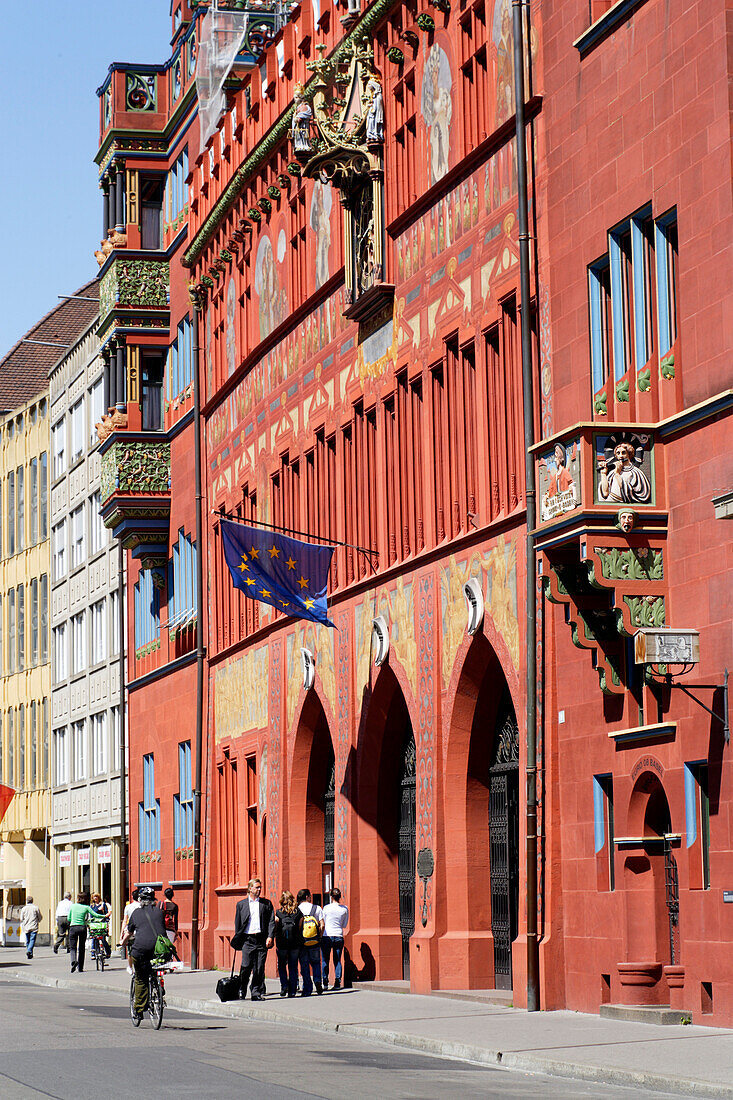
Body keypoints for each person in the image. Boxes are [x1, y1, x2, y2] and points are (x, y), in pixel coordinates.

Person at [121, 885, 167, 1021]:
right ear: (154, 899)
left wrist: (122, 943)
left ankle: (139, 1009)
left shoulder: (136, 913)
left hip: (141, 949)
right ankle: (159, 987)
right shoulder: (160, 912)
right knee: (156, 969)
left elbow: (129, 932)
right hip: (160, 950)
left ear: (141, 900)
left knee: (140, 978)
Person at [233, 877, 275, 1001]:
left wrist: (270, 936)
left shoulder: (266, 904)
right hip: (248, 939)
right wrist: (239, 939)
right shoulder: (241, 905)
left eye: (260, 887)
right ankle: (242, 988)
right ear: (250, 889)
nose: (259, 889)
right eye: (257, 887)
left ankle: (255, 991)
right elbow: (238, 923)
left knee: (259, 967)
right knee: (246, 966)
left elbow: (271, 921)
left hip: (261, 939)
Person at [274, 891, 303, 998]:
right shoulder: (298, 912)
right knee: (293, 966)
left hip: (282, 943)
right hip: (295, 943)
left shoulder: (278, 912)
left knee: (281, 965)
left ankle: (284, 986)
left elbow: (276, 926)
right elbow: (300, 927)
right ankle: (292, 990)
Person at [297, 888, 324, 996]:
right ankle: (318, 981)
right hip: (314, 940)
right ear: (307, 897)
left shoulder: (297, 909)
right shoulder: (316, 908)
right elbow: (322, 924)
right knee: (316, 963)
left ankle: (307, 987)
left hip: (302, 941)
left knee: (304, 964)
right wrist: (319, 937)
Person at [321, 887, 349, 991]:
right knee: (337, 960)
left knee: (325, 960)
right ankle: (337, 982)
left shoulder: (326, 908)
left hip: (327, 935)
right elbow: (344, 924)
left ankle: (325, 981)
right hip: (338, 935)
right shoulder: (344, 909)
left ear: (331, 896)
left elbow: (323, 922)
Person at [68, 892, 96, 973]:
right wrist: (104, 916)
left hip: (73, 927)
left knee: (73, 947)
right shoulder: (86, 907)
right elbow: (95, 914)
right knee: (81, 947)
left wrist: (74, 920)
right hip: (82, 928)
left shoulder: (73, 906)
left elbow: (69, 918)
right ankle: (80, 967)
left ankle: (73, 961)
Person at [120, 887, 140, 971]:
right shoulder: (142, 906)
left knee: (130, 951)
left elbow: (125, 921)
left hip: (130, 931)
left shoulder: (128, 907)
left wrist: (121, 933)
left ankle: (130, 967)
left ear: (132, 897)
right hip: (140, 930)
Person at [90, 893, 112, 959]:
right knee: (94, 938)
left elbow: (106, 913)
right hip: (95, 923)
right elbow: (91, 914)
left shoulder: (103, 904)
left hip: (102, 923)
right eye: (94, 897)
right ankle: (93, 953)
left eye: (97, 896)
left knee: (103, 938)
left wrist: (106, 920)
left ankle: (108, 952)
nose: (95, 898)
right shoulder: (92, 906)